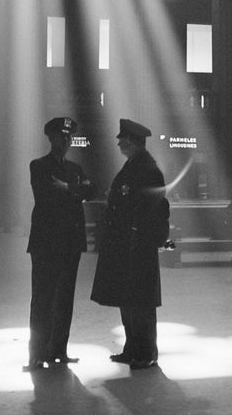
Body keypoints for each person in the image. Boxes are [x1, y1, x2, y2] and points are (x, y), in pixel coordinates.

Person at [91, 119, 169, 370]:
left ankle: (147, 352)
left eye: (123, 140)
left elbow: (154, 209)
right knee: (128, 298)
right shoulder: (133, 165)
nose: (119, 143)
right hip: (125, 244)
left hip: (139, 245)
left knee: (141, 301)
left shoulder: (148, 169)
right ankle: (132, 348)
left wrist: (139, 235)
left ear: (135, 142)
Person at [24, 117, 95, 371]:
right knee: (43, 299)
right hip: (47, 243)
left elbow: (92, 191)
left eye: (68, 138)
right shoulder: (39, 166)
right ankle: (37, 353)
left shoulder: (74, 169)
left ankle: (58, 350)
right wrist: (75, 191)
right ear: (51, 138)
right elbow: (45, 197)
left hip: (70, 243)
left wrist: (66, 188)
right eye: (60, 137)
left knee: (65, 299)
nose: (65, 141)